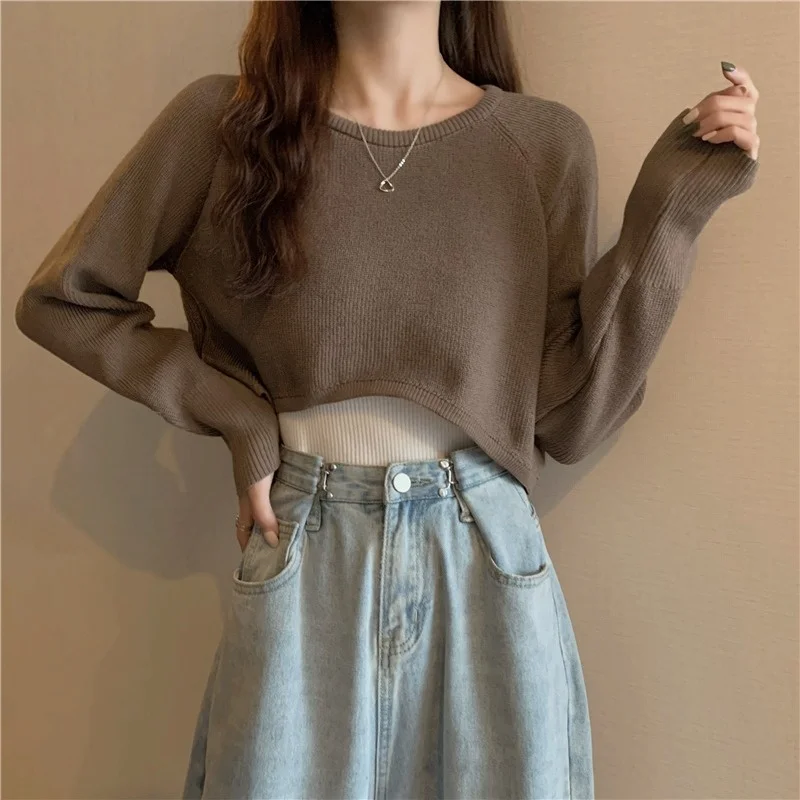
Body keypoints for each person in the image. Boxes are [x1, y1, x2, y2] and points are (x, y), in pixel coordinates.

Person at [15, 1, 760, 798]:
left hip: (485, 562)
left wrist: (676, 205)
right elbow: (66, 300)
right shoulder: (226, 125)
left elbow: (570, 419)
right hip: (305, 554)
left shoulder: (543, 144)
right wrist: (235, 416)